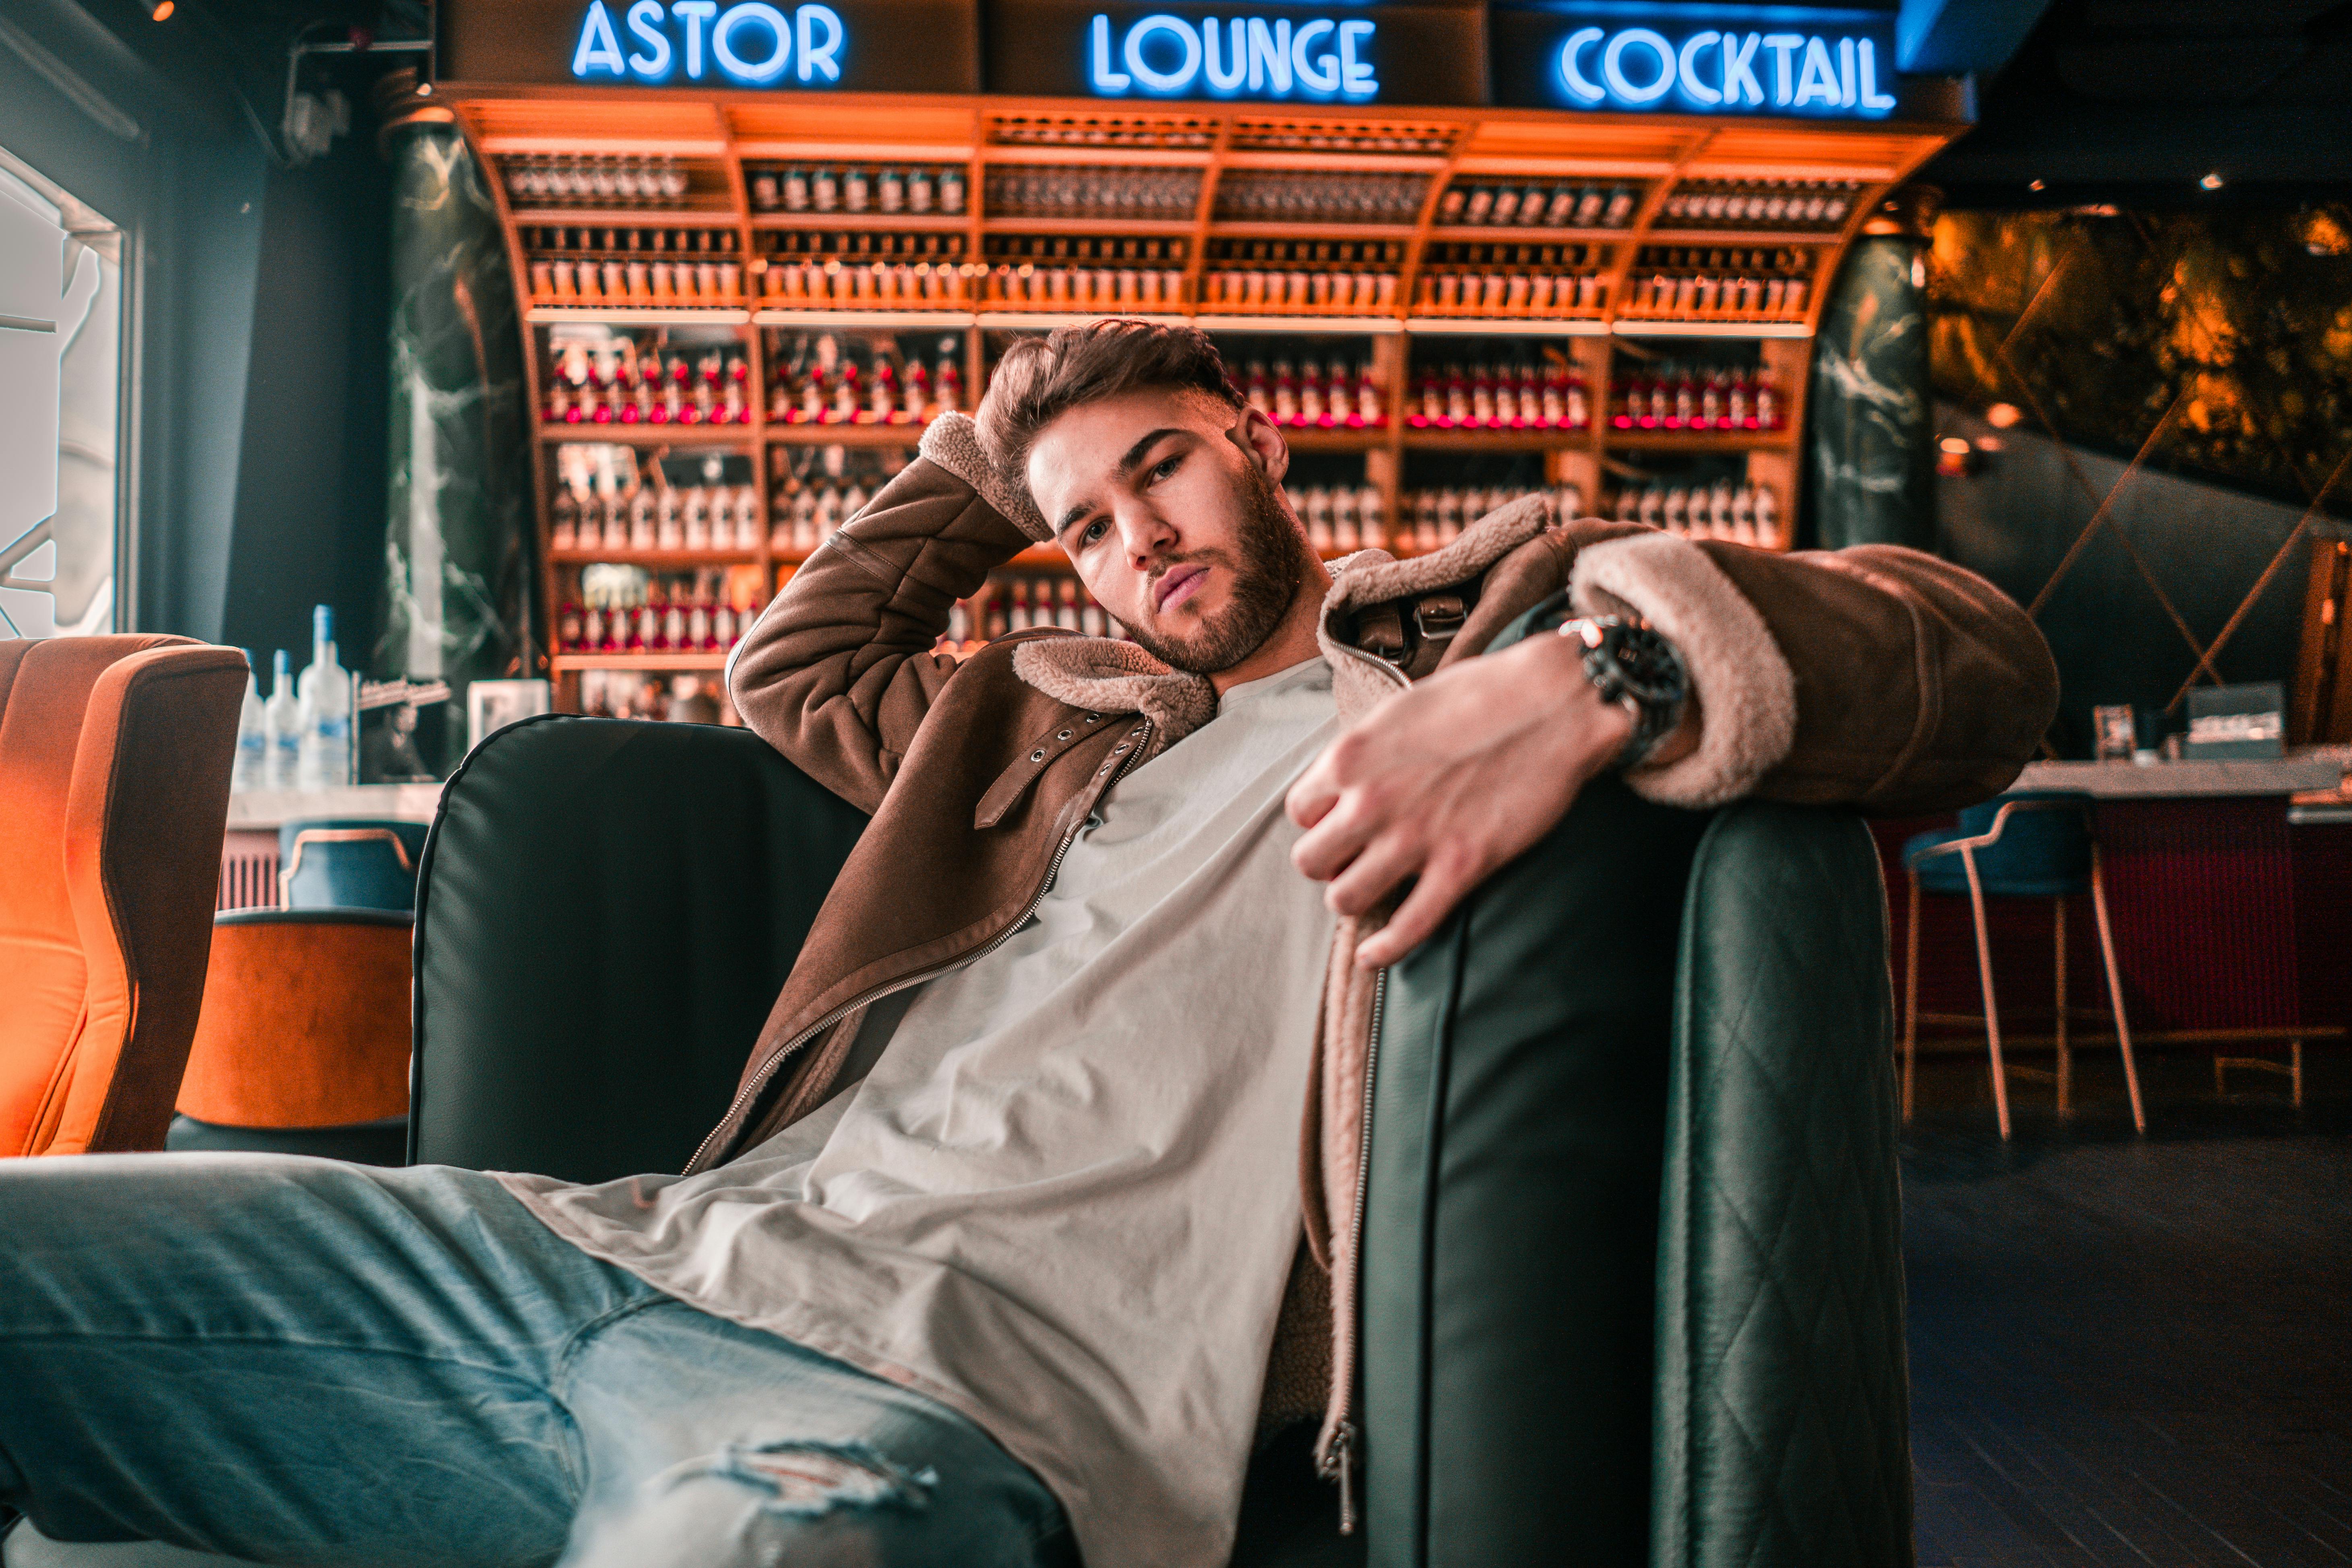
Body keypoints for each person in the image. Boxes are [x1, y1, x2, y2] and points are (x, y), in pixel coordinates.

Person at [0, 322, 2056, 1568]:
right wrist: (1009, 451)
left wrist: (1595, 674)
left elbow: (1975, 657)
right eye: (1085, 521)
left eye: (1163, 462)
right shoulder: (1030, 719)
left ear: (1256, 432)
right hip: (616, 1249)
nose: (1136, 537)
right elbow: (791, 657)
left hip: (953, 1392)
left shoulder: (1482, 623)